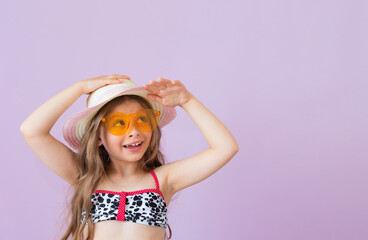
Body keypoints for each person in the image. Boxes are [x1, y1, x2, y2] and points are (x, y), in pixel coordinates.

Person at [20, 74, 239, 240]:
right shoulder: (85, 176)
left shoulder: (164, 180)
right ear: (98, 137)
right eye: (118, 123)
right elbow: (32, 130)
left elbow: (225, 147)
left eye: (142, 119)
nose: (134, 131)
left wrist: (187, 100)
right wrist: (80, 88)